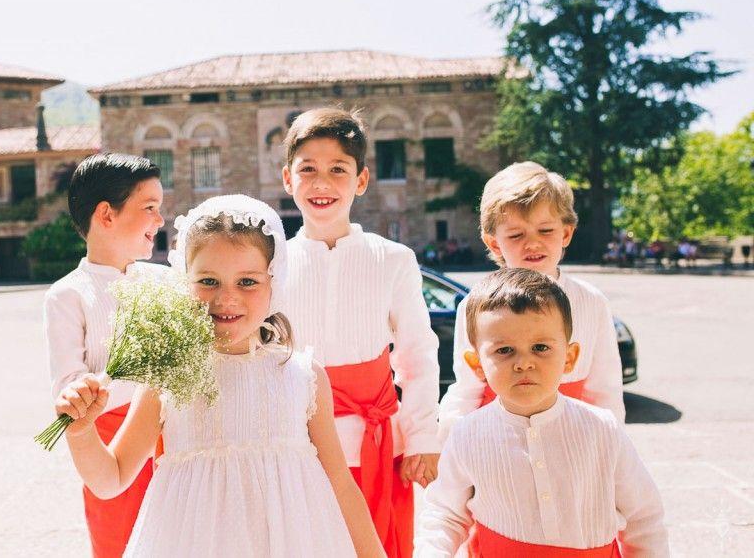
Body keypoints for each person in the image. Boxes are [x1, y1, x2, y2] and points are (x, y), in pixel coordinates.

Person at [57, 195, 385, 557]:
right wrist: (82, 432)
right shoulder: (169, 377)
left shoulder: (304, 378)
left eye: (247, 282)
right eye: (209, 281)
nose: (226, 299)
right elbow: (111, 478)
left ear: (274, 282)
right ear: (185, 282)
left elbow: (340, 484)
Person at [416, 268, 668, 556]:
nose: (524, 363)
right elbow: (444, 514)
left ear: (570, 357)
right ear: (477, 365)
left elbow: (643, 519)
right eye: (504, 351)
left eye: (540, 347)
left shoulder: (602, 429)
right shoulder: (467, 433)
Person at [281, 108, 441, 557]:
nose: (322, 183)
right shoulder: (274, 266)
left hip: (376, 443)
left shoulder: (393, 258)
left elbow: (416, 353)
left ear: (362, 179)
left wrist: (423, 437)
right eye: (307, 169)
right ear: (288, 179)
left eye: (338, 170)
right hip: (299, 446)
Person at [439, 161, 624, 441]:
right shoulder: (475, 306)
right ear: (494, 243)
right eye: (516, 235)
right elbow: (467, 388)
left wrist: (612, 448)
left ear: (566, 233)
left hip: (572, 440)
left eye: (545, 231)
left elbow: (605, 390)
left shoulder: (591, 302)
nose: (533, 243)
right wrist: (449, 444)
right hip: (497, 441)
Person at [44, 152, 167, 558]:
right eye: (149, 208)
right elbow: (68, 382)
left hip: (176, 445)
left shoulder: (167, 281)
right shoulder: (68, 294)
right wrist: (80, 394)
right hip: (109, 450)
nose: (160, 220)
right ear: (106, 214)